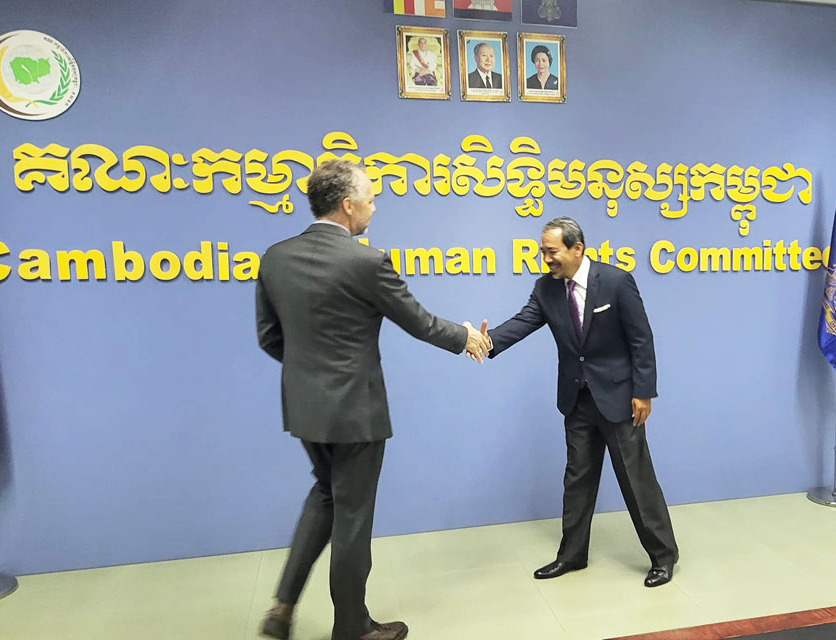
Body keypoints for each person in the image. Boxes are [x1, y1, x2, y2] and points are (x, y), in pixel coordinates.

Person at [256, 159, 489, 640]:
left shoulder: (275, 257)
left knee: (326, 494)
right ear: (347, 205)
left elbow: (269, 338)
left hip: (304, 407)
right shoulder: (365, 261)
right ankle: (352, 627)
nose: (374, 206)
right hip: (355, 412)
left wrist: (312, 374)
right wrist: (465, 336)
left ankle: (282, 607)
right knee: (353, 516)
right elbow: (420, 322)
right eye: (370, 197)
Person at [481, 217, 679, 588]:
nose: (546, 259)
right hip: (577, 399)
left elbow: (641, 340)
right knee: (577, 480)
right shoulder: (546, 288)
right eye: (543, 252)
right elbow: (524, 321)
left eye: (552, 251)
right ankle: (572, 556)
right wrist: (486, 342)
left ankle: (663, 557)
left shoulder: (617, 282)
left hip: (620, 399)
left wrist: (643, 392)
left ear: (577, 248)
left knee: (636, 481)